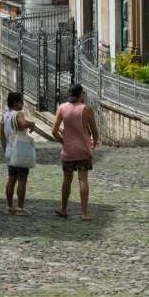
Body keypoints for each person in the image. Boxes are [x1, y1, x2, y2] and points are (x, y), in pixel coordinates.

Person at [52, 84, 99, 220]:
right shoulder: (87, 109)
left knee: (67, 180)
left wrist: (63, 142)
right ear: (80, 94)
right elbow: (95, 132)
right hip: (83, 150)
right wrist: (93, 143)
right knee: (83, 180)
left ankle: (63, 208)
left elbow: (54, 131)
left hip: (68, 151)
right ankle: (84, 213)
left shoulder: (61, 108)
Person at [0, 91, 37, 214]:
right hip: (19, 151)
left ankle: (10, 206)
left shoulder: (5, 116)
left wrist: (5, 149)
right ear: (16, 102)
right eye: (21, 101)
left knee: (11, 179)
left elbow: (2, 135)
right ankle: (20, 207)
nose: (23, 103)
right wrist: (31, 124)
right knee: (22, 180)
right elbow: (23, 123)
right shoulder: (18, 114)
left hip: (10, 151)